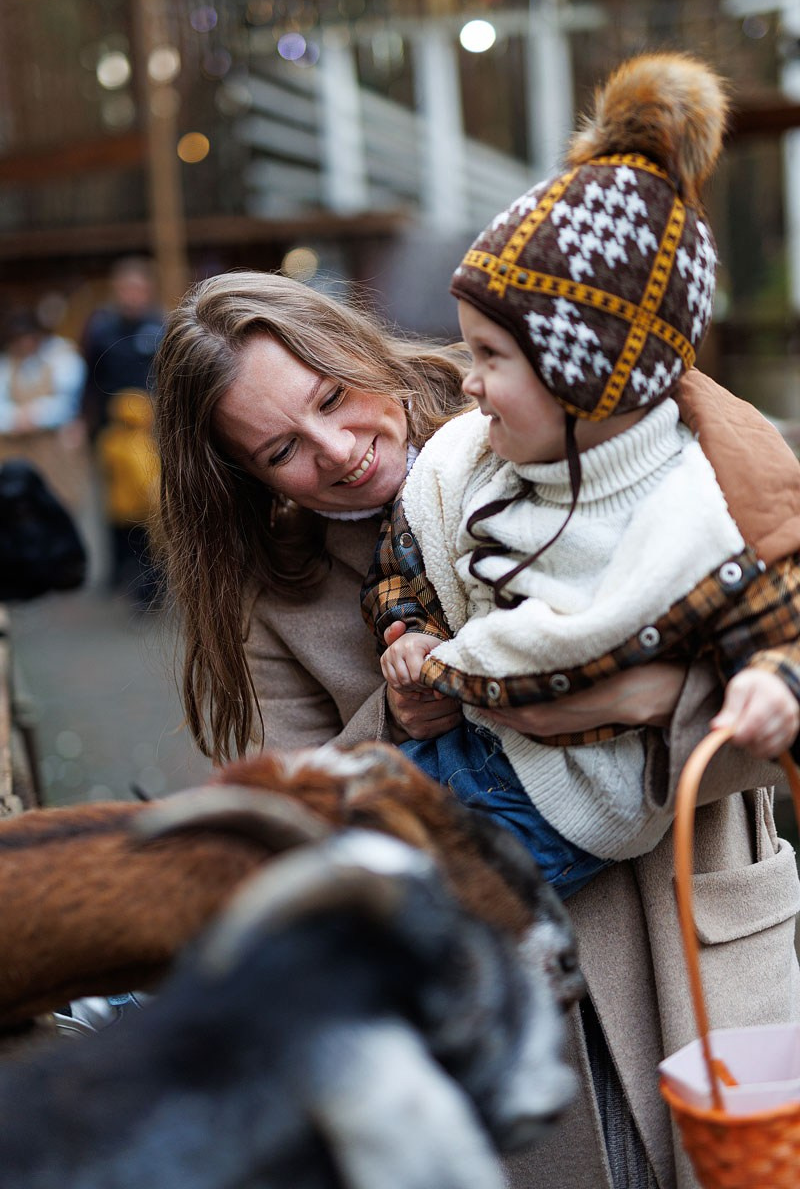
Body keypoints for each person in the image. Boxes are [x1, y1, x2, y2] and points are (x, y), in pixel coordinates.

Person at [154, 259, 800, 1187]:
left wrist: (630, 704)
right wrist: (401, 717)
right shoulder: (274, 600)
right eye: (282, 450)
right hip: (502, 1018)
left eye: (335, 397)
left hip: (694, 954)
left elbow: (776, 641)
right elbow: (292, 833)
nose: (336, 448)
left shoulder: (558, 407)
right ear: (248, 479)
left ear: (358, 350)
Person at [361, 53, 800, 904]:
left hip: (556, 809)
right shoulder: (474, 461)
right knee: (295, 853)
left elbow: (780, 628)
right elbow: (406, 553)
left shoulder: (699, 515)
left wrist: (767, 684)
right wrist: (406, 626)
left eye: (491, 355)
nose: (467, 380)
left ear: (587, 373)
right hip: (462, 746)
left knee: (369, 916)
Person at [0, 308, 88, 512]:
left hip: (53, 449)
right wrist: (14, 419)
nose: (24, 344)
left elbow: (67, 402)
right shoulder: (6, 364)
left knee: (59, 504)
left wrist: (36, 415)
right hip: (17, 450)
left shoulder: (60, 356)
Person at [81, 256, 164, 439]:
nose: (133, 296)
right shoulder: (100, 329)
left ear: (149, 291)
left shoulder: (162, 326)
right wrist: (83, 418)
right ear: (116, 289)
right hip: (110, 422)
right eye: (127, 290)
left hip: (152, 421)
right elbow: (89, 379)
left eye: (138, 290)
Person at [96, 390, 161, 608]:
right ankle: (146, 598)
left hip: (116, 509)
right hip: (141, 514)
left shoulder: (109, 440)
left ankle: (118, 582)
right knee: (147, 559)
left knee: (122, 553)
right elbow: (146, 482)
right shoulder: (138, 446)